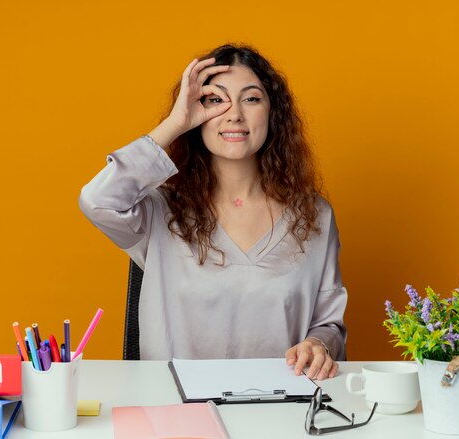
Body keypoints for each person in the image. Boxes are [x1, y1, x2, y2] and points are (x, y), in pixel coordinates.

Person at [79, 44, 347, 380]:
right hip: (177, 414)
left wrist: (318, 345)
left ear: (272, 112)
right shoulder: (161, 209)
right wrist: (175, 123)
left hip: (281, 409)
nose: (234, 114)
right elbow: (97, 200)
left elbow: (328, 324)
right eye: (215, 100)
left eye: (251, 98)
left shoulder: (314, 216)